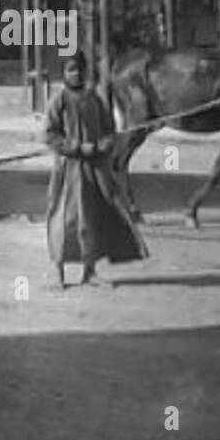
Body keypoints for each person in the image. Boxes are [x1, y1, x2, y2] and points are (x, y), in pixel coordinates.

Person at [43, 51, 147, 289]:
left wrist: (105, 144)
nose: (75, 73)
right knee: (63, 220)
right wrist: (78, 147)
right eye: (70, 69)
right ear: (64, 73)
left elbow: (110, 131)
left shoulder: (94, 99)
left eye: (79, 69)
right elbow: (50, 135)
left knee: (91, 220)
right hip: (68, 171)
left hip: (93, 171)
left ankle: (90, 272)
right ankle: (58, 273)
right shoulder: (58, 101)